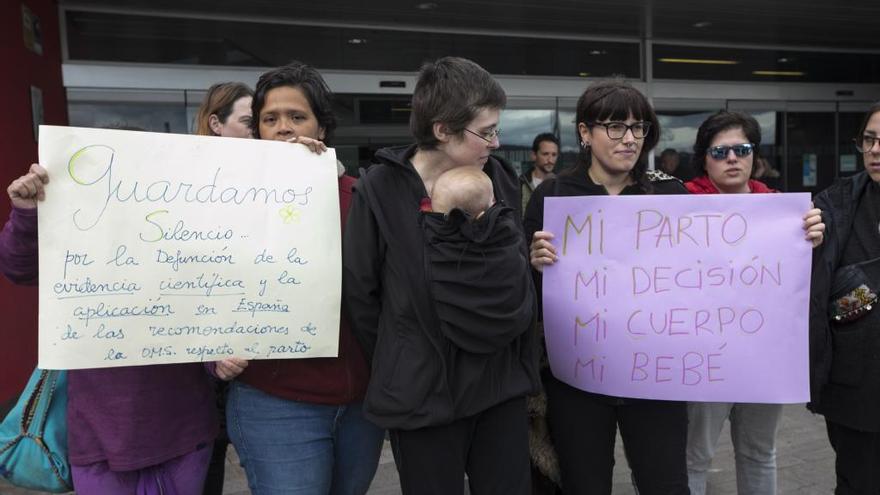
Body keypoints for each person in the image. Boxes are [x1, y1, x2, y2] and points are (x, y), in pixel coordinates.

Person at [343, 56, 540, 495]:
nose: (496, 141)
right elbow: (361, 293)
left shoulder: (501, 177)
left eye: (495, 129)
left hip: (498, 383)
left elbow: (512, 266)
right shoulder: (380, 189)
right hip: (422, 392)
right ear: (442, 130)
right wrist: (405, 353)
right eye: (485, 131)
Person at [212, 62, 384, 495]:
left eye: (297, 117)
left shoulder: (361, 198)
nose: (284, 129)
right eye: (270, 119)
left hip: (360, 401)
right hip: (275, 402)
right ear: (257, 132)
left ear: (321, 127)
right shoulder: (225, 198)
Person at [0, 161, 218, 492]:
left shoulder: (188, 247)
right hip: (98, 436)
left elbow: (214, 317)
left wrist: (219, 362)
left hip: (182, 430)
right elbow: (19, 268)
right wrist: (26, 213)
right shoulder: (75, 247)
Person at [525, 79, 691, 494]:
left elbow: (709, 270)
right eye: (615, 127)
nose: (629, 138)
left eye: (639, 128)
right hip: (578, 377)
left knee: (666, 483)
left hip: (656, 373)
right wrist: (533, 263)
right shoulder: (554, 196)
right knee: (584, 483)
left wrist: (798, 236)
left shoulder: (670, 192)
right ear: (585, 132)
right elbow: (526, 291)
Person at [684, 110, 824, 495]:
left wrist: (814, 240)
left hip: (765, 355)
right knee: (694, 456)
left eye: (742, 149)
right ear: (704, 157)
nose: (732, 158)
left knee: (760, 452)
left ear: (754, 155)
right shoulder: (679, 206)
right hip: (704, 357)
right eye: (721, 151)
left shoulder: (783, 210)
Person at [810, 101, 880, 494]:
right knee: (858, 482)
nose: (874, 150)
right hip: (856, 386)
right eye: (869, 139)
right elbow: (806, 274)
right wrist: (810, 242)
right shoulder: (834, 204)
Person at [192, 80, 253, 495]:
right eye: (249, 122)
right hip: (199, 366)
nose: (257, 131)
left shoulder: (275, 178)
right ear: (216, 123)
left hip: (257, 359)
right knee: (205, 468)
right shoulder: (184, 181)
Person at [520, 133, 560, 214]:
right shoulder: (520, 184)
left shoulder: (563, 184)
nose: (550, 160)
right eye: (545, 154)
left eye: (554, 155)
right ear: (534, 155)